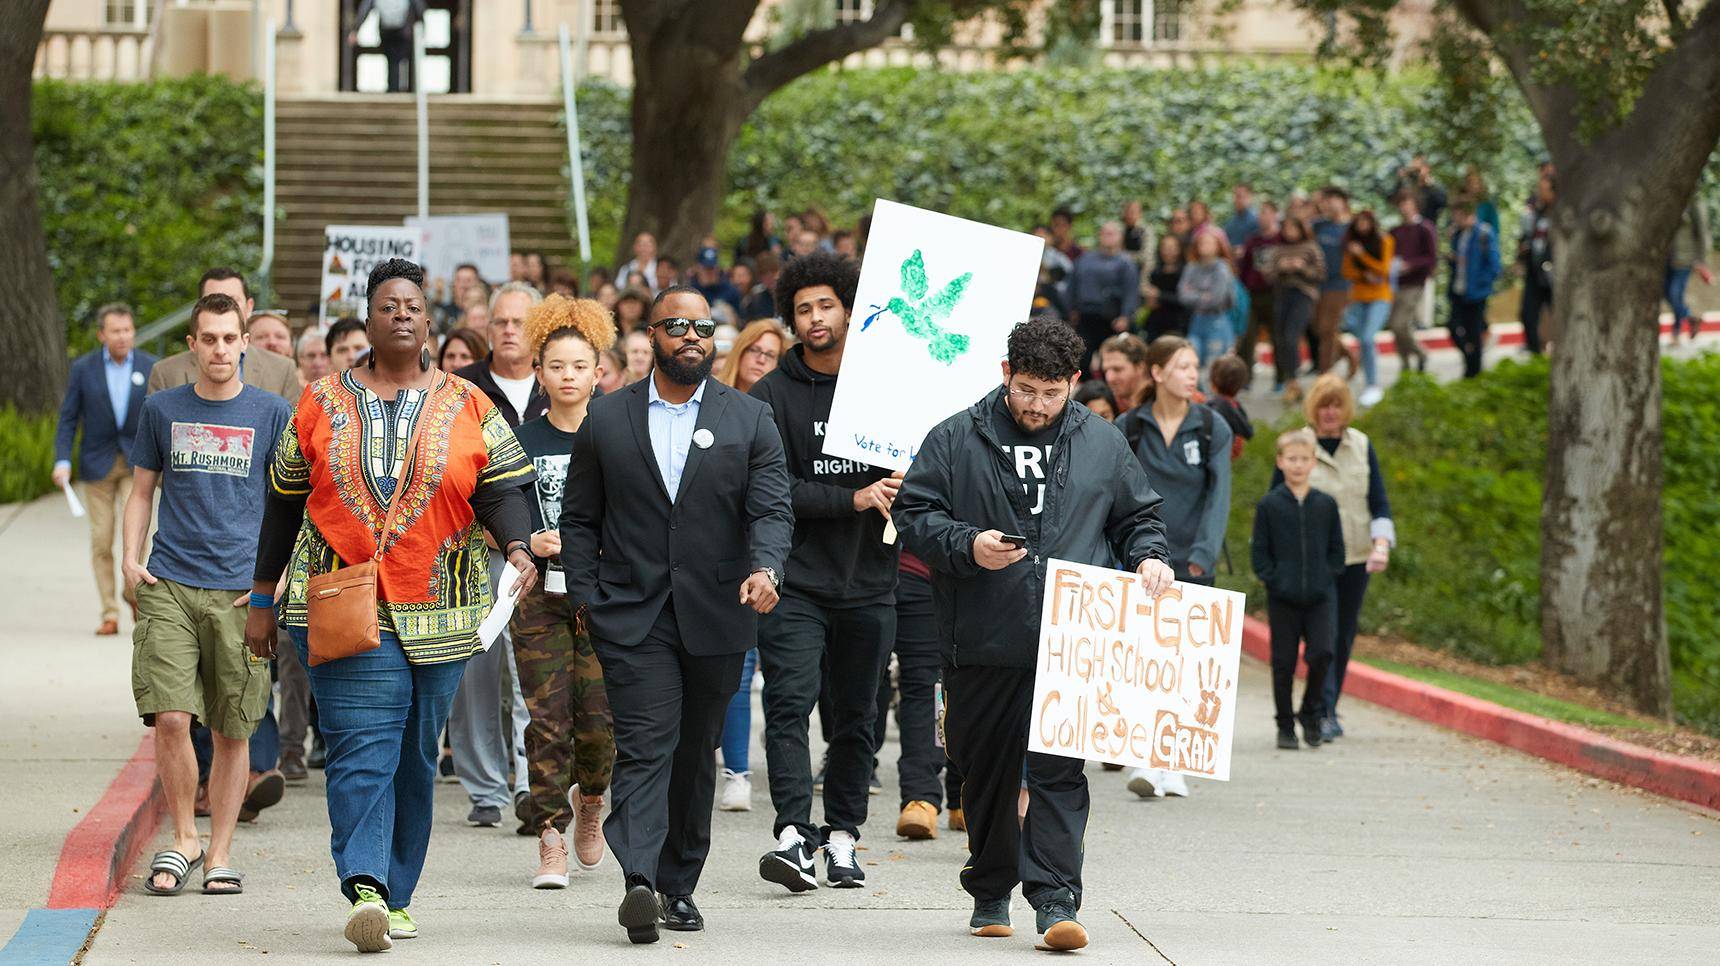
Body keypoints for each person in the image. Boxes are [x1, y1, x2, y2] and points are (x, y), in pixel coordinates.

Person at [247, 258, 537, 953]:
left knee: (413, 754)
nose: (402, 314)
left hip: (443, 610)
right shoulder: (319, 402)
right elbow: (283, 506)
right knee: (361, 748)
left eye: (413, 304)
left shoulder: (468, 402)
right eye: (388, 305)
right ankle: (365, 885)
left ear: (427, 319)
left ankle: (397, 893)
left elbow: (500, 490)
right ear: (369, 320)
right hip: (347, 607)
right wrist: (261, 597)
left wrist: (520, 547)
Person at [894, 315, 1173, 952]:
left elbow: (1138, 517)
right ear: (1005, 375)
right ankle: (991, 886)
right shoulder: (956, 436)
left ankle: (1054, 900)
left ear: (1074, 382)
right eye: (1026, 390)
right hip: (982, 635)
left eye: (1052, 393)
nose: (1038, 405)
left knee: (1057, 774)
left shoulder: (1102, 442)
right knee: (984, 771)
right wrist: (968, 545)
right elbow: (913, 514)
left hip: (1074, 637)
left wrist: (1149, 557)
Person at [558, 286, 792, 944]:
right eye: (678, 326)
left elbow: (770, 510)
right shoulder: (607, 420)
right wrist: (586, 595)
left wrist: (767, 569)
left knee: (696, 752)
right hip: (631, 614)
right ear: (651, 335)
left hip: (719, 612)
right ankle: (639, 879)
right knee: (646, 743)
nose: (693, 335)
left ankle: (678, 885)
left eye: (704, 326)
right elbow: (580, 519)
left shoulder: (748, 418)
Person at [123, 292, 292, 896]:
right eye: (209, 339)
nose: (220, 348)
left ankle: (219, 852)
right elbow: (143, 490)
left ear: (245, 342)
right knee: (170, 717)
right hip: (170, 579)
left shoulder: (271, 412)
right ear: (191, 345)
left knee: (232, 730)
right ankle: (182, 839)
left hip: (240, 593)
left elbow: (290, 505)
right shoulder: (161, 408)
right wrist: (129, 558)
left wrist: (271, 584)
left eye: (230, 338)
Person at [747, 252, 901, 890]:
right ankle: (792, 835)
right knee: (787, 706)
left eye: (826, 305)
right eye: (803, 309)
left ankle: (842, 839)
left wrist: (907, 482)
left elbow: (931, 466)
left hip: (871, 582)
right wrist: (854, 497)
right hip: (796, 581)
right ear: (791, 317)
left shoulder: (888, 385)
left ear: (847, 309)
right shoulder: (770, 397)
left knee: (857, 717)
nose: (814, 318)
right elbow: (772, 489)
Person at [511, 295, 618, 887]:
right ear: (539, 372)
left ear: (598, 372)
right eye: (557, 366)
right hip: (538, 599)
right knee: (547, 719)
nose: (569, 376)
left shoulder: (616, 434)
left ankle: (592, 801)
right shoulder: (521, 440)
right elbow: (500, 510)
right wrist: (530, 539)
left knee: (600, 722)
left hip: (603, 598)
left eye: (580, 366)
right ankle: (549, 833)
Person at [1113, 335, 1232, 802]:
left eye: (1195, 366)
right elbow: (1116, 492)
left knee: (1185, 665)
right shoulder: (1130, 426)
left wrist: (1204, 552)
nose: (1192, 374)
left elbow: (1220, 495)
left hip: (1193, 558)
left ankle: (1173, 761)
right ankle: (1144, 755)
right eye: (1183, 366)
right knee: (1144, 660)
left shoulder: (1210, 426)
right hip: (1142, 559)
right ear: (1157, 372)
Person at [450, 281, 545, 828]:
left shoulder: (561, 381)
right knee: (477, 673)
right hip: (474, 551)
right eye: (500, 322)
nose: (509, 330)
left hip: (545, 552)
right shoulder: (462, 389)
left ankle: (533, 785)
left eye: (519, 322)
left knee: (532, 672)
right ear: (488, 328)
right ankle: (486, 788)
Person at [1276, 376, 1396, 742]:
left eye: (1337, 405)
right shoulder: (1299, 444)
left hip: (1355, 556)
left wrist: (1382, 543)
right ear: (1314, 408)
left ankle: (1326, 707)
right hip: (1312, 560)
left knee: (1341, 636)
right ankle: (1313, 707)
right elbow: (1276, 500)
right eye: (1324, 405)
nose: (1330, 412)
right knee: (1318, 640)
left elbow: (1378, 501)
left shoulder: (1361, 445)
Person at [53, 303, 157, 636]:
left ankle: (133, 594)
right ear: (102, 334)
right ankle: (109, 612)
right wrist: (62, 460)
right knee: (101, 539)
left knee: (136, 537)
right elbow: (69, 417)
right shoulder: (83, 369)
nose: (123, 336)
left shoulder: (148, 366)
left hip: (136, 463)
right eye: (116, 331)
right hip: (96, 464)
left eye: (128, 330)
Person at [1251, 429, 1345, 750]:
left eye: (1304, 460)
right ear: (1280, 462)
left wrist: (1325, 576)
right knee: (1284, 662)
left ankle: (1310, 711)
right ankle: (1285, 724)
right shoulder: (1269, 505)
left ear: (1314, 463)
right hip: (1284, 599)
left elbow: (1337, 551)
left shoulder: (1326, 505)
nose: (1298, 466)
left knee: (1322, 654)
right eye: (1291, 459)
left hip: (1319, 597)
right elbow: (1260, 554)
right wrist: (1274, 579)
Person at [150, 269, 300, 398]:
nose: (224, 309)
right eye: (212, 300)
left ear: (249, 307)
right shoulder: (165, 373)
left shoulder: (283, 370)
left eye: (233, 301)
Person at [1263, 216, 1326, 397]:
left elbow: (1321, 274)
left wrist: (1302, 268)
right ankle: (1287, 379)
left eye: (1293, 228)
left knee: (1292, 335)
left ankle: (1293, 380)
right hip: (1282, 294)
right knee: (1280, 337)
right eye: (1286, 228)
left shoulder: (1311, 248)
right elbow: (1268, 275)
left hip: (1303, 294)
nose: (1289, 232)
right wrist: (1281, 268)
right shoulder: (1278, 250)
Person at [1066, 222, 1142, 367]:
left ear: (1120, 237)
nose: (1108, 237)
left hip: (1111, 319)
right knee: (1081, 359)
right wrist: (1071, 309)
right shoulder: (1085, 259)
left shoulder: (1126, 263)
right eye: (1105, 233)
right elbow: (1072, 285)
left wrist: (1126, 315)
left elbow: (1131, 290)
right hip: (1085, 315)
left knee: (1110, 360)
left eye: (1112, 233)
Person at [1340, 209, 1396, 407]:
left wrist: (1362, 256)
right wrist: (1364, 275)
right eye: (1359, 222)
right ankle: (1370, 354)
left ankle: (1372, 385)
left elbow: (1383, 270)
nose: (1362, 226)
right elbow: (1347, 271)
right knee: (1358, 334)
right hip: (1358, 296)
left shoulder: (1384, 240)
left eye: (1366, 222)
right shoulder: (1351, 243)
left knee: (1366, 338)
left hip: (1380, 296)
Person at [1446, 201, 1502, 378]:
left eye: (1459, 215)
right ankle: (1470, 361)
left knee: (1474, 333)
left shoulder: (1484, 233)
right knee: (1453, 327)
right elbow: (1460, 263)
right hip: (1458, 290)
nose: (1456, 219)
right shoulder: (1458, 234)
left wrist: (1480, 284)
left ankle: (1474, 373)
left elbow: (1494, 267)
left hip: (1476, 293)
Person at [1311, 187, 1360, 376]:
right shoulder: (1319, 225)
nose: (1329, 204)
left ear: (1343, 201)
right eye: (1326, 200)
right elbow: (1297, 225)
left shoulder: (1352, 227)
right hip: (1319, 282)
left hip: (1341, 284)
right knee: (1317, 327)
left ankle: (1325, 373)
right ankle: (1348, 354)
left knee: (1327, 328)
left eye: (1333, 200)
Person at [1386, 191, 1436, 375]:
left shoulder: (1425, 228)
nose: (1403, 207)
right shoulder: (1395, 231)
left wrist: (1411, 265)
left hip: (1415, 283)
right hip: (1395, 283)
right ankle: (1405, 364)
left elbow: (1431, 258)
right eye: (1401, 203)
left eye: (1407, 203)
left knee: (1400, 324)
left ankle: (1421, 353)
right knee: (1397, 326)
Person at [1178, 231, 1238, 368]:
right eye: (1201, 242)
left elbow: (1217, 298)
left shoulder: (1222, 268)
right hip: (1197, 320)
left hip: (1217, 322)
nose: (1203, 246)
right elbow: (1182, 296)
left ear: (1218, 246)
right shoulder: (1191, 267)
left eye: (1208, 242)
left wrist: (1195, 294)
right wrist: (1204, 296)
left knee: (1214, 367)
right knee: (1193, 360)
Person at [1235, 201, 1281, 370]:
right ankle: (1245, 377)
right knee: (1247, 335)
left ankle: (1281, 379)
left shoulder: (1282, 239)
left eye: (1267, 212)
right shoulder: (1252, 241)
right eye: (1261, 213)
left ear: (1276, 214)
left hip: (1276, 294)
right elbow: (1244, 268)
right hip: (1253, 293)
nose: (1263, 217)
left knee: (1278, 337)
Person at [1518, 173, 1557, 354]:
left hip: (1555, 274)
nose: (1539, 193)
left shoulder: (1563, 213)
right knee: (1527, 315)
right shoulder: (1537, 212)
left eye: (1543, 189)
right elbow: (1529, 237)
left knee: (1559, 316)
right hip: (1535, 272)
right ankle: (1535, 353)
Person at [350, 0, 426, 93]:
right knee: (398, 61)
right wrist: (422, 27)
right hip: (403, 33)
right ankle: (400, 89)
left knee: (393, 61)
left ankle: (394, 89)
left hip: (387, 32)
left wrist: (355, 30)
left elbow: (364, 10)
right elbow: (420, 9)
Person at [1667, 197, 1712, 344]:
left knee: (1675, 294)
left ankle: (1676, 331)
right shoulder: (1664, 198)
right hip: (1666, 258)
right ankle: (1690, 317)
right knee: (1669, 295)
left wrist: (1702, 261)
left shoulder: (1694, 202)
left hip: (1685, 259)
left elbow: (1702, 233)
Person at [716, 318, 787, 394]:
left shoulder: (781, 403)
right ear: (739, 352)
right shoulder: (712, 392)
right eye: (754, 350)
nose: (761, 360)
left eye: (770, 355)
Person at [1206, 355, 1255, 461]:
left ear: (1212, 380)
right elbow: (1248, 431)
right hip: (1229, 455)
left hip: (1218, 454)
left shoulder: (1215, 406)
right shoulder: (1235, 405)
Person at [1143, 234, 1190, 341]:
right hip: (1156, 323)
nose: (1167, 251)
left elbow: (1184, 300)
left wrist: (1159, 294)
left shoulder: (1185, 271)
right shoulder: (1155, 272)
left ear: (1179, 249)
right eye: (1164, 247)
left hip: (1177, 323)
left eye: (1171, 247)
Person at [1098, 333, 1151, 414]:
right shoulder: (1112, 405)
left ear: (1140, 367)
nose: (1109, 378)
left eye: (1117, 369)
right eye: (1105, 371)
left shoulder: (1160, 405)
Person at [692, 246, 742, 313]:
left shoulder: (730, 291)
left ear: (718, 268)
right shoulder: (690, 291)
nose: (709, 272)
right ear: (697, 268)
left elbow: (740, 319)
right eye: (706, 268)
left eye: (712, 268)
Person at [742, 252, 781, 321]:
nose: (772, 280)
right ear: (760, 278)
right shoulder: (756, 299)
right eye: (766, 276)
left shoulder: (791, 294)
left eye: (774, 273)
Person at [1224, 182, 1261, 249]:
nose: (1236, 200)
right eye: (1235, 196)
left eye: (1239, 196)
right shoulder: (1230, 222)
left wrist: (1244, 249)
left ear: (1250, 197)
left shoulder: (1258, 219)